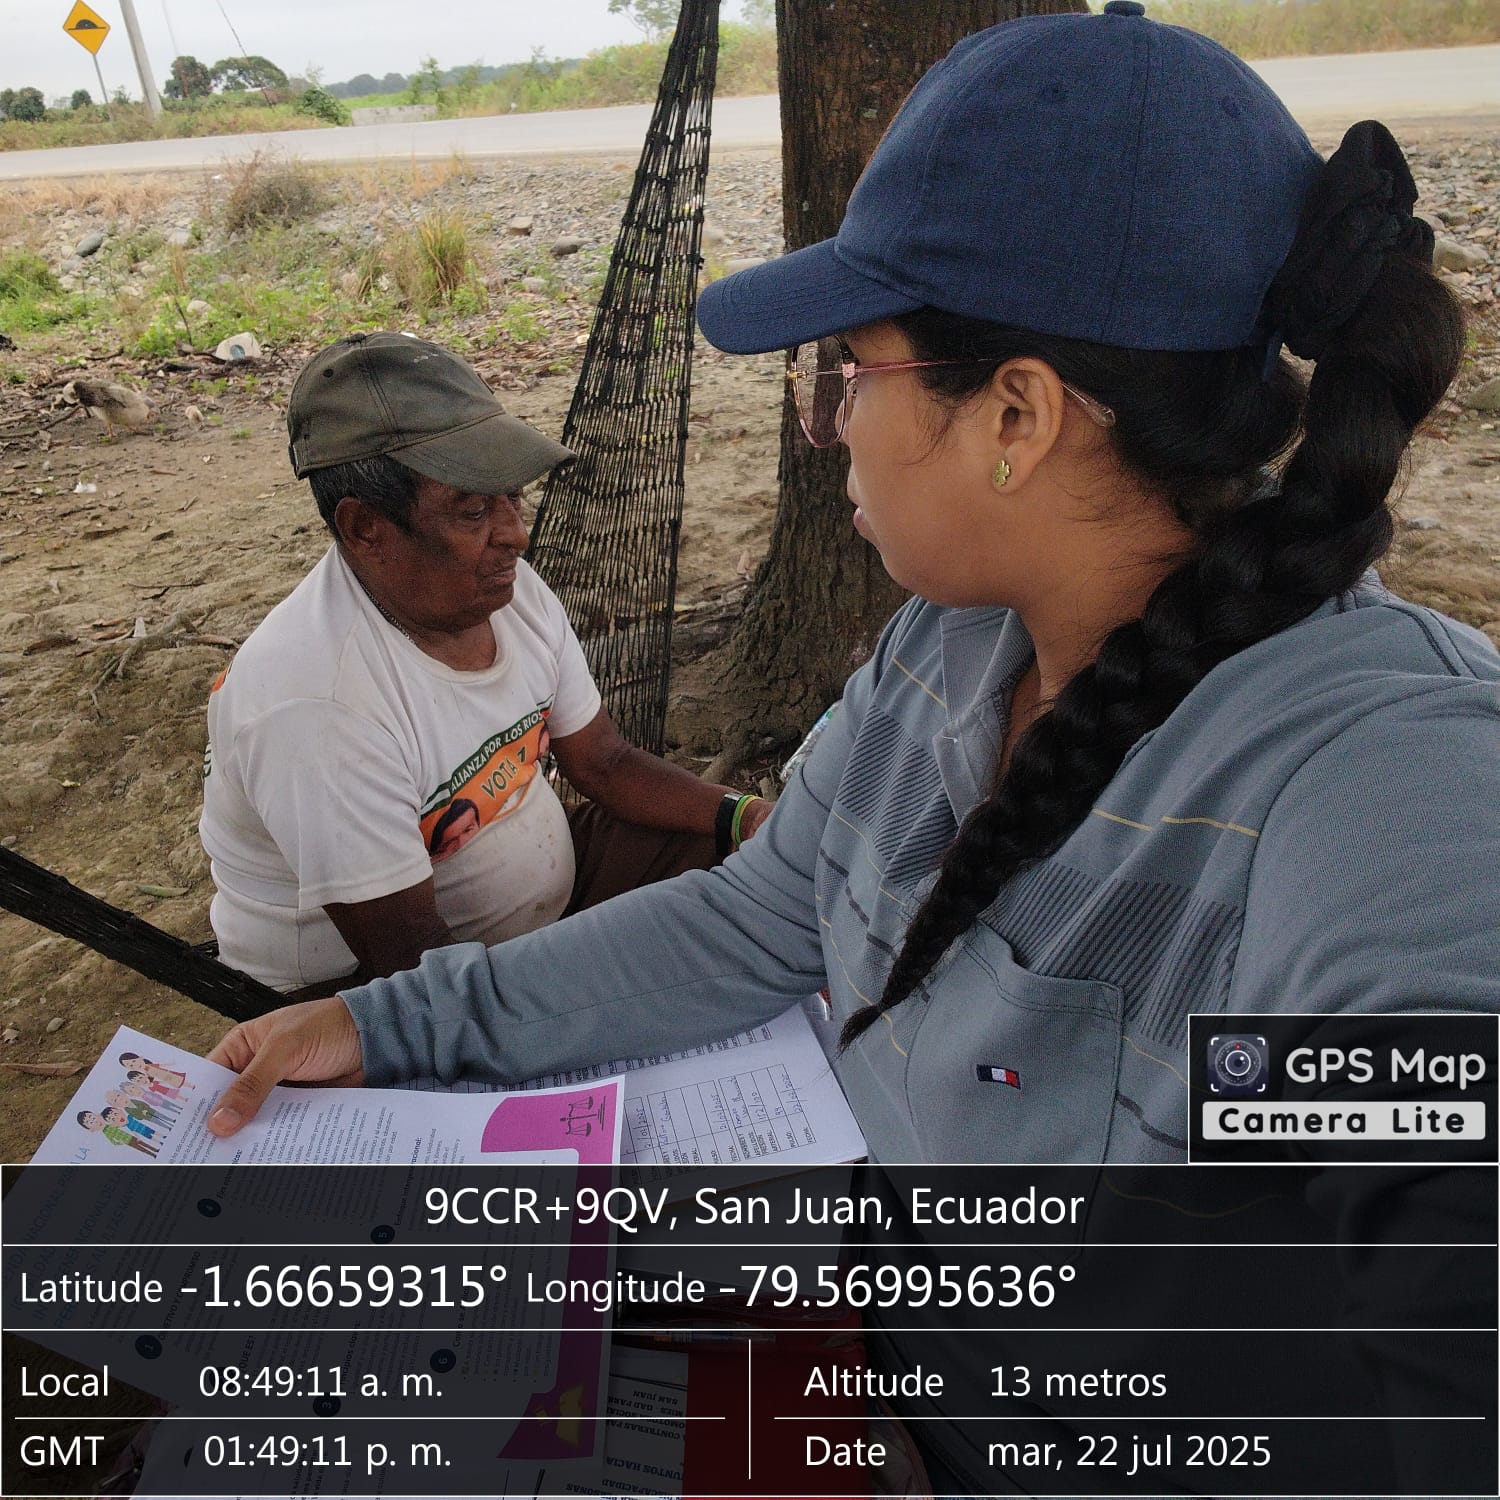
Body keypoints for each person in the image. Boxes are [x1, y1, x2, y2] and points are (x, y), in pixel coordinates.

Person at [205, 10, 1498, 1488]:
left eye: (848, 370)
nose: (826, 428)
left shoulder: (1381, 770)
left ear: (1016, 414)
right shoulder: (951, 648)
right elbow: (759, 917)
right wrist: (390, 1027)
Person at [199, 332, 768, 992]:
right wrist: (605, 986)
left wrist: (746, 816)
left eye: (512, 498)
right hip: (364, 985)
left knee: (743, 854)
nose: (516, 535)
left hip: (530, 912)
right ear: (365, 529)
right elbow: (416, 968)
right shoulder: (315, 707)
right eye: (473, 511)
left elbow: (605, 762)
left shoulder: (501, 591)